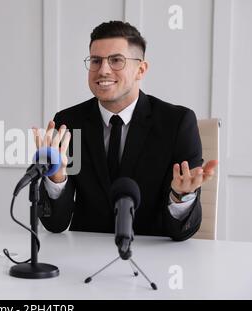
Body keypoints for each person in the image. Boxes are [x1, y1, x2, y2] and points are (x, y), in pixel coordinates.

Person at [32, 21, 218, 241]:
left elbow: (182, 232)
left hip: (153, 257)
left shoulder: (178, 122)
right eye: (96, 60)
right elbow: (56, 224)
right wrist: (56, 178)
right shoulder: (69, 122)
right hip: (84, 256)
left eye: (116, 60)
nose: (103, 70)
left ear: (141, 69)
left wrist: (180, 196)